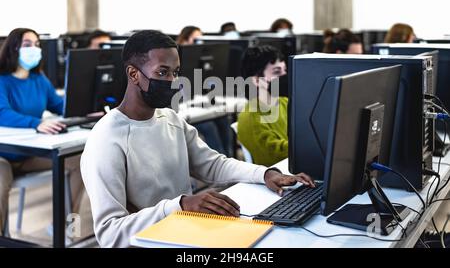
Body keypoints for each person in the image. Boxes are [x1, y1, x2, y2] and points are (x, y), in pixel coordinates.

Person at [80, 30, 315, 247]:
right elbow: (109, 233)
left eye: (176, 73)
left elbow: (212, 164)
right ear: (133, 74)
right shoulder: (106, 139)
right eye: (162, 72)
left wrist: (265, 174)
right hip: (156, 240)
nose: (173, 81)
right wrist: (180, 206)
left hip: (186, 231)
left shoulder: (170, 118)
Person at [0, 28, 85, 234]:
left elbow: (59, 106)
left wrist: (87, 105)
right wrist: (35, 123)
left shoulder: (39, 79)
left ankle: (65, 228)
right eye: (28, 44)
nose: (34, 49)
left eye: (37, 44)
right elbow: (2, 113)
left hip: (30, 154)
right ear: (13, 48)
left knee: (81, 161)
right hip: (3, 155)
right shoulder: (2, 79)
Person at [176, 26, 231, 156]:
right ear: (184, 40)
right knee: (208, 125)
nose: (199, 44)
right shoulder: (174, 58)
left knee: (223, 119)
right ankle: (220, 164)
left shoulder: (199, 59)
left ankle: (229, 158)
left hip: (196, 104)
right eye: (196, 40)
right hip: (181, 107)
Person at [237, 46, 288, 166]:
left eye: (284, 70)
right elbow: (273, 157)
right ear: (256, 80)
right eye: (276, 72)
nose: (284, 76)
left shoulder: (285, 102)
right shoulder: (251, 117)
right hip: (279, 175)